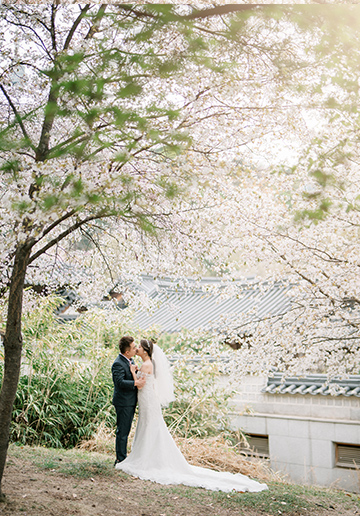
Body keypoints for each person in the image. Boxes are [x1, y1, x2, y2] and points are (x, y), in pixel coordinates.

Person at [116, 339, 268, 493]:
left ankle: (147, 458)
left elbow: (140, 384)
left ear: (146, 351)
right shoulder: (150, 363)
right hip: (148, 400)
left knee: (149, 426)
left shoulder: (146, 365)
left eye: (140, 347)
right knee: (149, 426)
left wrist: (134, 372)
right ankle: (147, 455)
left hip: (147, 400)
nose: (137, 349)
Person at [112, 335, 146, 465]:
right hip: (123, 402)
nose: (136, 349)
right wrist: (135, 383)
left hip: (130, 401)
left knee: (125, 430)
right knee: (122, 431)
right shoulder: (118, 363)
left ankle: (123, 457)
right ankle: (120, 459)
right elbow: (119, 382)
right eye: (133, 347)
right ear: (127, 352)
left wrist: (135, 372)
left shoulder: (130, 360)